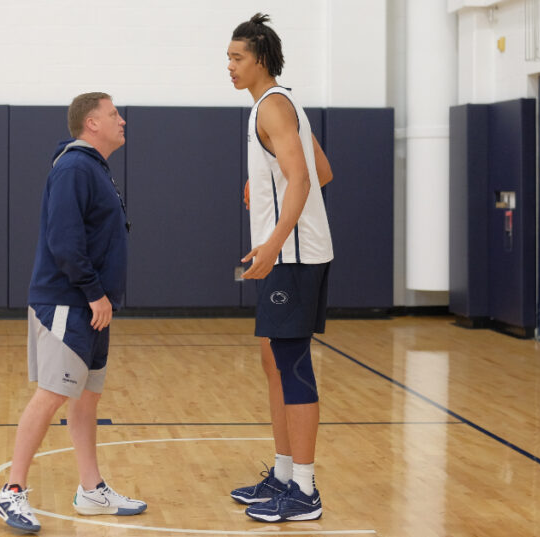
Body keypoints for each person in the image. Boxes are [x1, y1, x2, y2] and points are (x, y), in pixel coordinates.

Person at [0, 92, 145, 534]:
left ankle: (91, 489)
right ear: (91, 123)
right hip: (69, 302)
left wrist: (102, 299)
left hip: (94, 306)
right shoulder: (75, 167)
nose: (123, 121)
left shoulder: (95, 168)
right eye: (114, 114)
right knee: (52, 394)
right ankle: (12, 491)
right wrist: (95, 293)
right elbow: (64, 240)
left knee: (86, 399)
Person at [226, 13, 334, 523]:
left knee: (291, 366)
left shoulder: (272, 108)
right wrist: (264, 185)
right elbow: (322, 169)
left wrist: (272, 241)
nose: (229, 66)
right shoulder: (278, 106)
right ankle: (284, 473)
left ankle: (305, 491)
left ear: (260, 60)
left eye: (237, 57)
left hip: (291, 257)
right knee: (274, 361)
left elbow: (304, 180)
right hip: (290, 253)